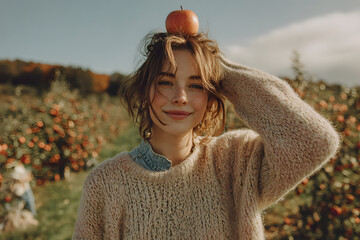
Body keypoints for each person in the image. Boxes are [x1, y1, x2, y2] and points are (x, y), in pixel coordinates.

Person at [73, 32, 340, 239]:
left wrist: (220, 68)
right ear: (144, 92)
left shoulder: (236, 161)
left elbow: (315, 141)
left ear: (213, 96)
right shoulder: (105, 183)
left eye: (196, 85)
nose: (180, 97)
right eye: (165, 82)